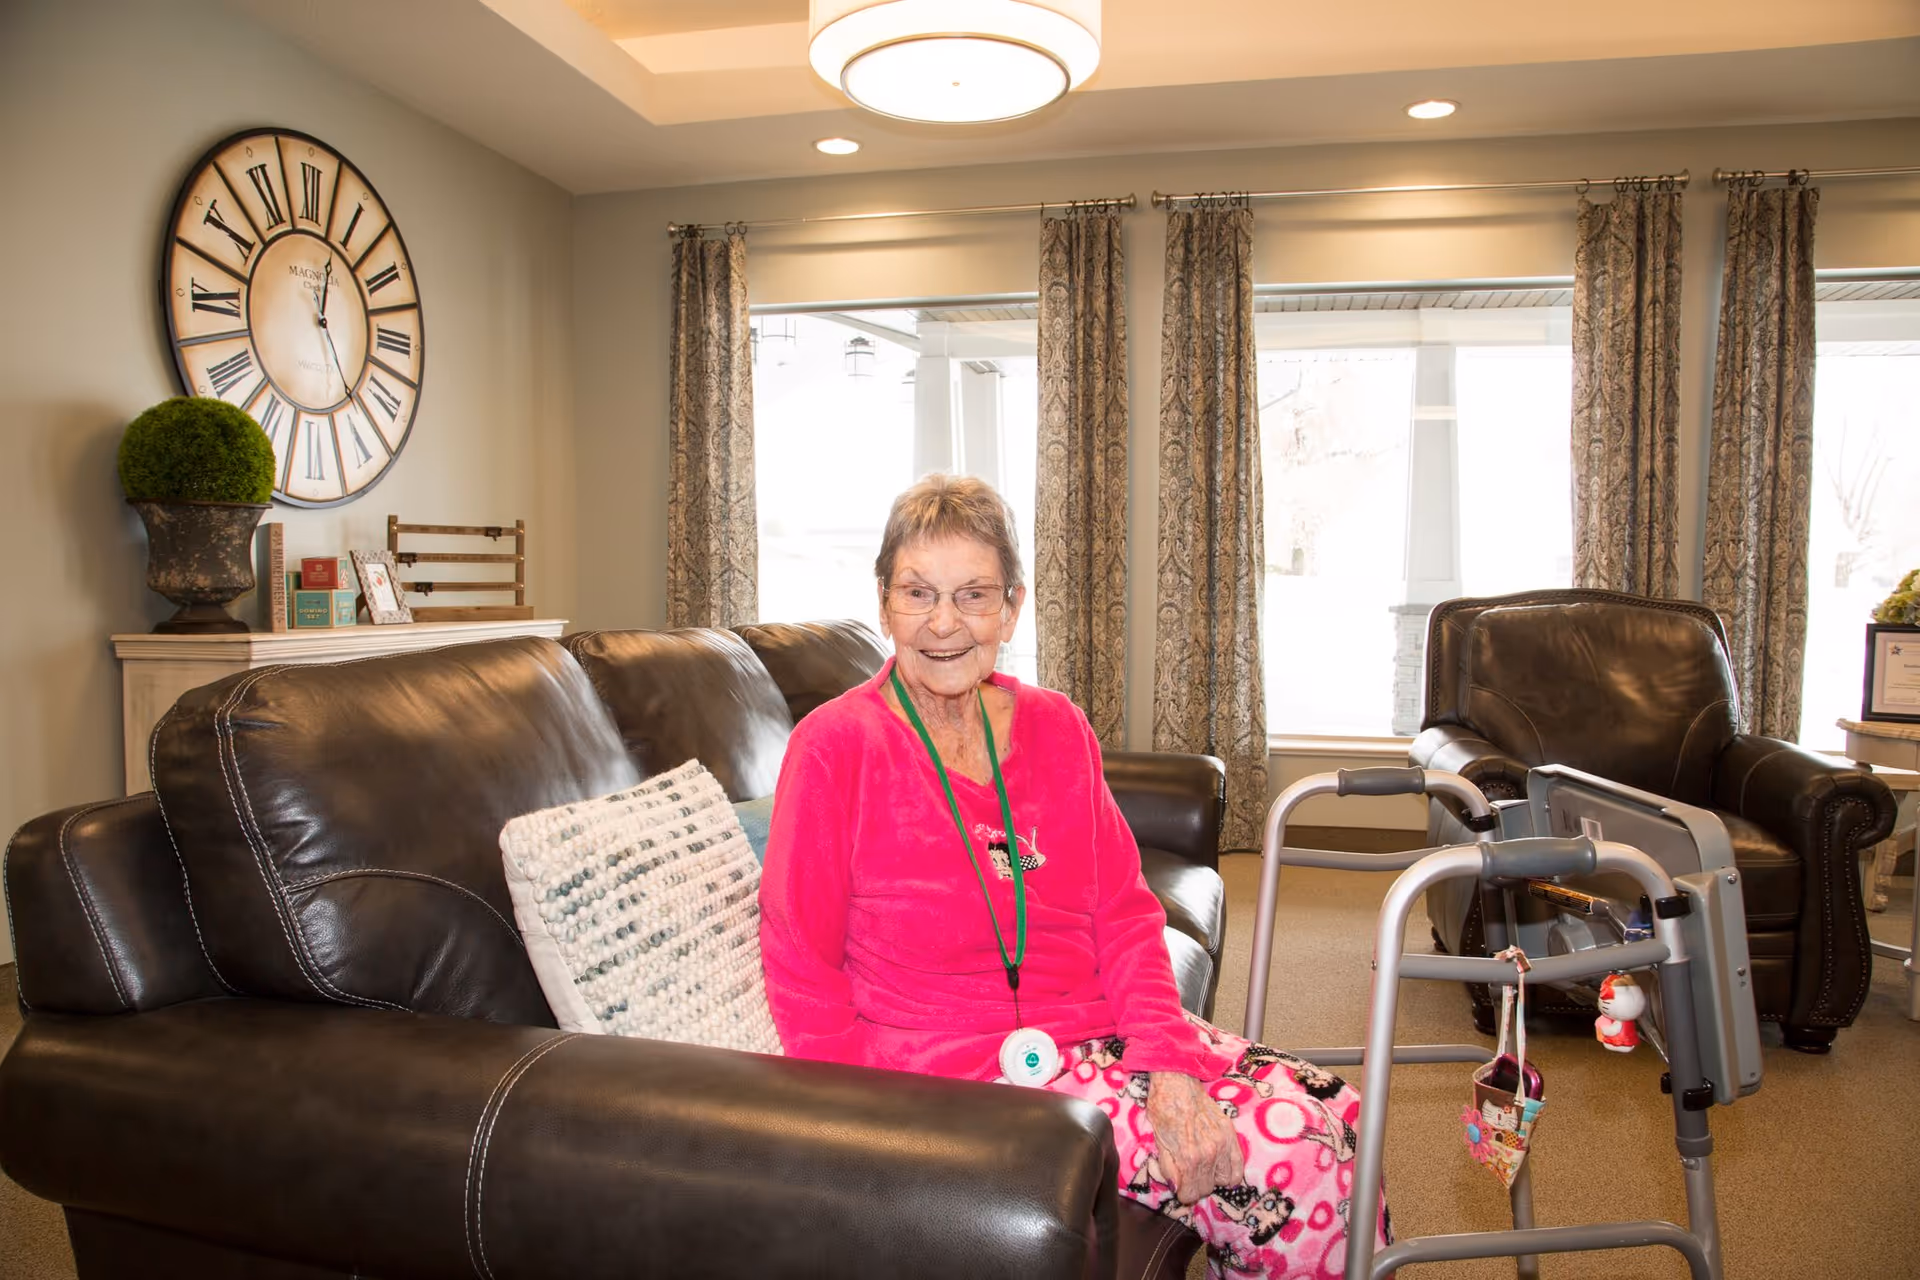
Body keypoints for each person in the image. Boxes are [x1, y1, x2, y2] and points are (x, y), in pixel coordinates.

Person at [758, 474, 1388, 1278]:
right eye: (918, 593)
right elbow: (801, 969)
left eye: (974, 595)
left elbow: (1125, 914)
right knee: (1298, 1160)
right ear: (884, 604)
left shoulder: (1057, 727)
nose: (944, 623)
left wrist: (1167, 1061)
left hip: (1092, 1035)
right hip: (949, 1077)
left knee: (1339, 1110)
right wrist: (866, 1134)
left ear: (1012, 608)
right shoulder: (834, 747)